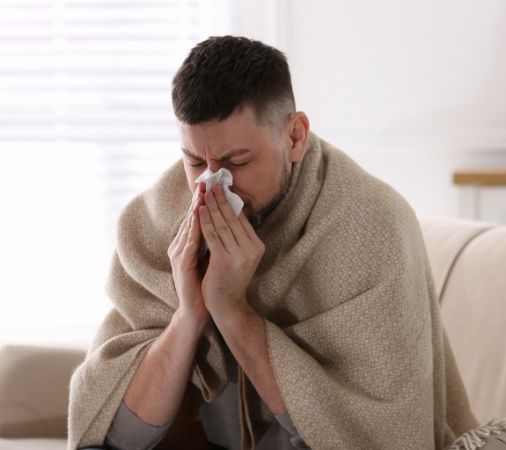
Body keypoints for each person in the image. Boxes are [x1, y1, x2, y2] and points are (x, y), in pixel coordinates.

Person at [68, 36, 484, 450]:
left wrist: (232, 311)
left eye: (238, 162)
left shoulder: (372, 224)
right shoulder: (152, 220)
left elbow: (377, 436)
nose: (212, 187)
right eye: (195, 161)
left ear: (295, 136)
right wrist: (190, 313)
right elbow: (115, 437)